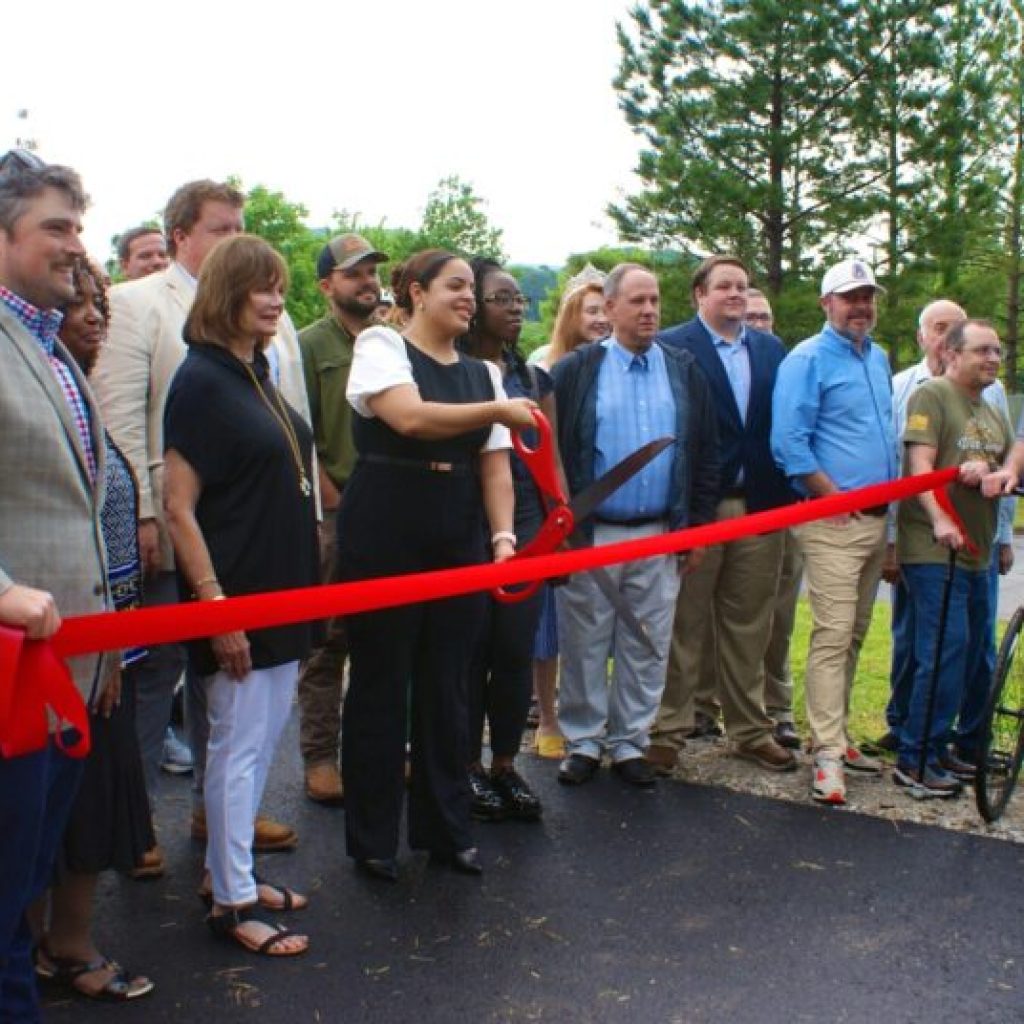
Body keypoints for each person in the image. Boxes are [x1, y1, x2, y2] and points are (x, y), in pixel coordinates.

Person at [93, 179, 300, 852]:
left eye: (240, 225)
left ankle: (220, 820)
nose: (233, 237)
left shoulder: (269, 312)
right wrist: (144, 519)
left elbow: (286, 424)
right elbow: (120, 417)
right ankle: (139, 821)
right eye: (220, 227)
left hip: (251, 527)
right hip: (172, 520)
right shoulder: (135, 303)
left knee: (229, 685)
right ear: (181, 235)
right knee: (156, 674)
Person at [337, 249, 536, 881]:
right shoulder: (380, 345)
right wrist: (496, 412)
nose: (468, 298)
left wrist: (503, 537)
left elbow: (495, 467)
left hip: (457, 532)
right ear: (417, 293)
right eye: (455, 286)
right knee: (380, 685)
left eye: (472, 290)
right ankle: (372, 840)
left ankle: (445, 830)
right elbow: (410, 417)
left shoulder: (484, 373)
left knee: (449, 688)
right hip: (385, 528)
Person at [163, 235, 318, 956]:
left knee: (256, 748)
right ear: (227, 291)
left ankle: (236, 877)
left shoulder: (252, 372)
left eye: (281, 286)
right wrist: (217, 605)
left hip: (284, 595)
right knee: (236, 750)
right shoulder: (199, 381)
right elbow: (178, 508)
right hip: (241, 600)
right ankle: (230, 903)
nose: (276, 299)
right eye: (261, 286)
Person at [0, 150, 109, 1021]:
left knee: (29, 876)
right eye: (56, 228)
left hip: (68, 674)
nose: (76, 246)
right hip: (11, 674)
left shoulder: (51, 344)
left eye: (78, 225)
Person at [31, 258, 154, 1001]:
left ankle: (65, 944)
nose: (94, 316)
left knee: (90, 806)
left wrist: (115, 641)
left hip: (105, 647)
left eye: (102, 304)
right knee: (46, 811)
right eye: (81, 304)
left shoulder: (84, 395)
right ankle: (43, 946)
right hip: (49, 650)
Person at [552, 263, 719, 788]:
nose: (649, 311)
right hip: (592, 534)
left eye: (655, 301)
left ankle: (629, 743)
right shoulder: (577, 371)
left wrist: (695, 529)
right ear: (612, 306)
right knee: (584, 641)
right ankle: (582, 740)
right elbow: (551, 453)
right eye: (638, 302)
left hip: (660, 533)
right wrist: (563, 530)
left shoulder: (683, 370)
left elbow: (705, 455)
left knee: (647, 642)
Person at [651, 257, 796, 775]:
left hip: (759, 502)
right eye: (724, 286)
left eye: (743, 286)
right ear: (699, 295)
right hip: (699, 507)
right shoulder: (671, 347)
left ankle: (749, 731)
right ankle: (669, 729)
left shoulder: (769, 349)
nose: (736, 294)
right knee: (684, 623)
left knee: (750, 624)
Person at [771, 258, 897, 805]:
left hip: (875, 521)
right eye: (850, 297)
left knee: (855, 634)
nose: (861, 306)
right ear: (827, 303)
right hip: (830, 521)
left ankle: (838, 736)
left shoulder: (879, 357)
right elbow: (788, 444)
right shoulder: (807, 359)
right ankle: (824, 754)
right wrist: (831, 496)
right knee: (831, 633)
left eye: (867, 296)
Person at [876, 300, 1015, 755]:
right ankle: (917, 756)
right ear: (953, 353)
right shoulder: (930, 394)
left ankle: (953, 748)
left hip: (977, 550)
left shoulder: (989, 404)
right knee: (941, 651)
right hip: (936, 550)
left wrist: (1003, 472)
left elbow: (1014, 451)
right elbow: (917, 467)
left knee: (973, 652)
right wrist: (938, 520)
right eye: (981, 351)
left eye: (997, 351)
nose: (992, 359)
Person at [459, 258, 553, 822]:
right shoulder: (454, 374)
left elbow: (553, 458)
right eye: (502, 298)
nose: (516, 308)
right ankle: (465, 764)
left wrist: (558, 530)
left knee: (515, 653)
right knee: (471, 655)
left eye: (520, 298)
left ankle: (505, 764)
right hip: (470, 528)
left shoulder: (535, 380)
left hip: (532, 528)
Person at [297, 234, 387, 806]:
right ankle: (319, 756)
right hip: (335, 511)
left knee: (383, 642)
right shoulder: (307, 345)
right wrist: (326, 497)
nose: (368, 282)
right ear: (328, 286)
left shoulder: (390, 344)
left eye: (373, 272)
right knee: (328, 644)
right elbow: (298, 429)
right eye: (355, 274)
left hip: (390, 510)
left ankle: (374, 751)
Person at [527, 264, 609, 759]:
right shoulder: (546, 367)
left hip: (605, 507)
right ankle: (549, 715)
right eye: (591, 310)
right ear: (571, 315)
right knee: (552, 622)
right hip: (557, 507)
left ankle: (595, 712)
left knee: (599, 620)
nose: (600, 319)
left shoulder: (621, 364)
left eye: (605, 309)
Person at [744, 289, 801, 750]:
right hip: (735, 503)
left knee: (778, 614)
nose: (759, 323)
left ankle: (777, 706)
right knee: (721, 616)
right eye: (751, 316)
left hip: (786, 505)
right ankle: (708, 704)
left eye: (766, 316)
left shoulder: (786, 364)